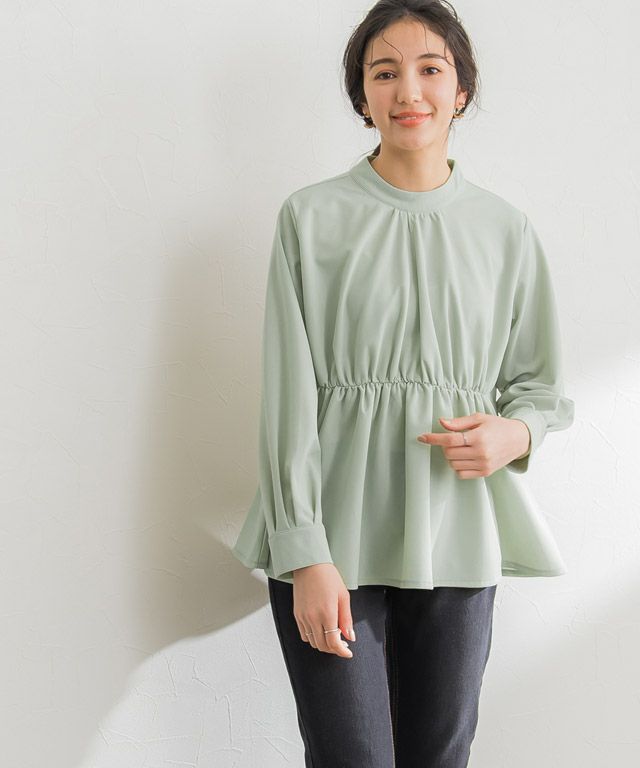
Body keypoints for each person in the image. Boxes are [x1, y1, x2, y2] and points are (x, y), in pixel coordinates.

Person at [231, 1, 575, 765]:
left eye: (430, 69)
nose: (408, 91)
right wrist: (304, 551)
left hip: (458, 537)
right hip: (331, 543)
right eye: (384, 73)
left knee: (440, 757)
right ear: (362, 95)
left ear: (461, 90)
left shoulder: (505, 229)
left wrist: (514, 432)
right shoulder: (311, 218)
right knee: (350, 756)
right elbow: (288, 398)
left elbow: (540, 386)